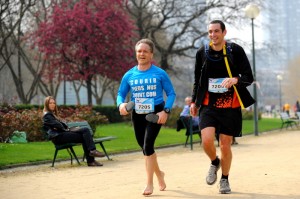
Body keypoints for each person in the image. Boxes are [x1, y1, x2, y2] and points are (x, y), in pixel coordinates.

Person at [190, 20, 255, 194]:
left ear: (224, 32)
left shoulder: (235, 51)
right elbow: (197, 80)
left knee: (226, 145)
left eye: (216, 31)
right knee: (206, 140)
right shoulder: (202, 53)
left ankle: (225, 179)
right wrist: (194, 102)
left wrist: (235, 80)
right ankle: (214, 162)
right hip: (208, 104)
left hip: (230, 105)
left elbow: (249, 76)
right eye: (210, 32)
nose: (213, 35)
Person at [116, 38, 176, 196]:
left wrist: (165, 111)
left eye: (145, 51)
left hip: (155, 113)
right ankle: (159, 174)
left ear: (151, 54)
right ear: (136, 54)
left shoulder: (159, 73)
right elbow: (121, 94)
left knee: (148, 145)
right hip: (137, 113)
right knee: (145, 148)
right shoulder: (129, 75)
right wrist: (121, 105)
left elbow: (171, 93)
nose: (142, 54)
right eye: (139, 51)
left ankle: (149, 184)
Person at [42, 96, 105, 167]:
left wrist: (61, 126)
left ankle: (91, 160)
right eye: (50, 103)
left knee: (84, 136)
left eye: (54, 103)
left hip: (62, 134)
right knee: (85, 131)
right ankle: (92, 153)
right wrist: (61, 126)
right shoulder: (47, 115)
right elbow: (59, 125)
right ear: (46, 104)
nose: (52, 104)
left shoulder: (52, 115)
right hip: (58, 137)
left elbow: (61, 125)